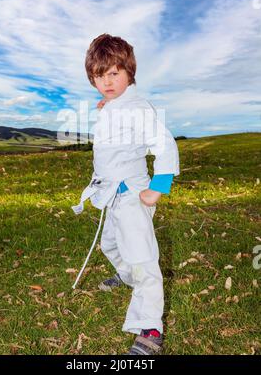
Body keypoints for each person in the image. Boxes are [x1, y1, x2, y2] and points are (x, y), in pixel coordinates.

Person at [72, 33, 180, 355]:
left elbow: (165, 145)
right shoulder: (116, 104)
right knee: (110, 244)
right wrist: (110, 103)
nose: (106, 82)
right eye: (98, 76)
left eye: (113, 74)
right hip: (111, 195)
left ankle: (150, 328)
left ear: (129, 73)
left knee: (143, 259)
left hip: (133, 195)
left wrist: (157, 187)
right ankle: (127, 274)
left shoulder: (139, 108)